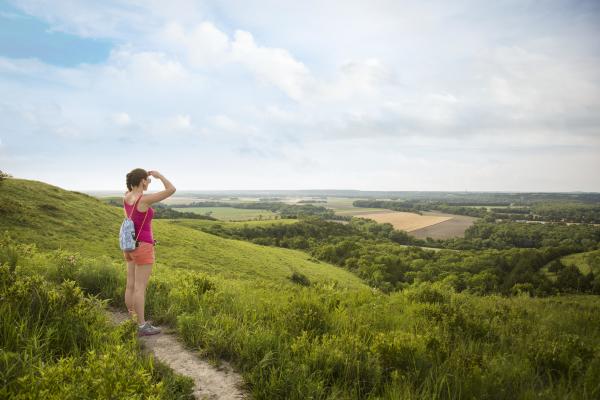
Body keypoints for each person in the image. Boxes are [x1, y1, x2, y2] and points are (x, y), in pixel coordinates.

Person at [122, 168, 176, 336]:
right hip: (143, 246)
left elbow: (130, 212)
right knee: (140, 287)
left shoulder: (126, 196)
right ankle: (142, 326)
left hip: (128, 246)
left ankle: (133, 319)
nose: (149, 182)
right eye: (147, 180)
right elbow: (171, 189)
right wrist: (159, 176)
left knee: (130, 284)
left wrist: (143, 179)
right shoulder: (143, 200)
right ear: (143, 181)